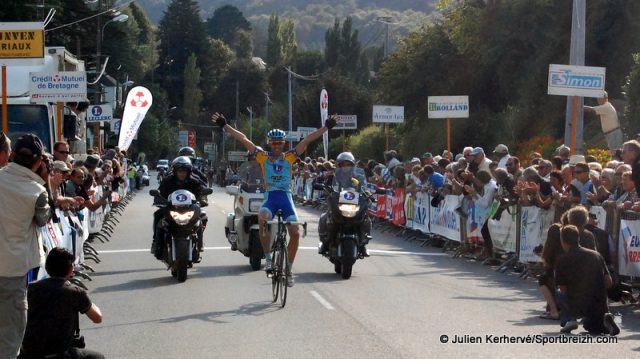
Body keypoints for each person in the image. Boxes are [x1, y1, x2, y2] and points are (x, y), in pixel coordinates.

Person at [213, 112, 336, 287]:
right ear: (270, 143)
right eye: (274, 142)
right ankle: (269, 258)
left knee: (295, 233)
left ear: (283, 143)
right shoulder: (262, 156)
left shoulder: (290, 156)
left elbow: (308, 140)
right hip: (270, 197)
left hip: (286, 198)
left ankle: (289, 270)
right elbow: (243, 139)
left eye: (280, 142)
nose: (277, 145)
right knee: (261, 219)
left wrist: (326, 127)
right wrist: (225, 126)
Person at [0, 134, 51, 358]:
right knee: (9, 339)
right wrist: (46, 181)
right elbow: (43, 220)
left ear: (11, 155)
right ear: (39, 162)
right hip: (12, 271)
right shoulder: (36, 193)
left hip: (11, 269)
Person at [19, 248, 103, 359]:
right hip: (59, 354)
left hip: (28, 353)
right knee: (97, 357)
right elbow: (97, 318)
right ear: (70, 270)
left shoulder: (30, 288)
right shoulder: (75, 292)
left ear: (47, 267)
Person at [555, 225, 620, 335]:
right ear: (578, 238)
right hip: (599, 303)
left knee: (557, 291)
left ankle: (570, 319)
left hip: (579, 304)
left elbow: (563, 289)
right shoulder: (596, 255)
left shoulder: (562, 260)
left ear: (562, 240)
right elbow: (608, 282)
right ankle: (605, 317)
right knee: (594, 327)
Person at [152, 156, 207, 261]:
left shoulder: (194, 181)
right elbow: (159, 193)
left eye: (184, 171)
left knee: (203, 217)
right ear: (175, 171)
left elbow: (201, 193)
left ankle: (199, 245)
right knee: (158, 215)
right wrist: (158, 199)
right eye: (179, 171)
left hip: (189, 208)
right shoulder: (167, 181)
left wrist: (203, 199)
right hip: (171, 208)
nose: (182, 173)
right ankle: (156, 244)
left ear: (189, 171)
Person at [318, 152, 372, 257]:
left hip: (354, 202)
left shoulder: (359, 176)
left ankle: (363, 243)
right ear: (339, 165)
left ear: (353, 165)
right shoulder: (333, 175)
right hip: (339, 201)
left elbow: (364, 187)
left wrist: (368, 194)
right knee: (326, 217)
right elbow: (327, 186)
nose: (346, 167)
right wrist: (326, 190)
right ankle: (325, 242)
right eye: (343, 164)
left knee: (366, 219)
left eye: (348, 164)